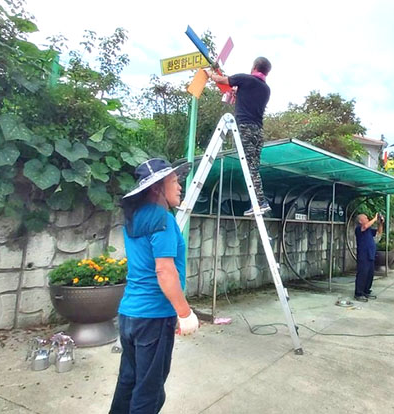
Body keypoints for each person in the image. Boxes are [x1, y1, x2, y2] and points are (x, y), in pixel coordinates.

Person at [110, 158, 199, 414]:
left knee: (128, 381)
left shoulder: (135, 217)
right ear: (157, 187)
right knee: (149, 391)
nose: (180, 186)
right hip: (153, 316)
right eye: (174, 181)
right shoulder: (163, 219)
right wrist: (184, 312)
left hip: (129, 314)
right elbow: (164, 270)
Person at [207, 57, 272, 216]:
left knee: (249, 167)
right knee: (253, 166)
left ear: (254, 66)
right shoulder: (265, 88)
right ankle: (257, 202)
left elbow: (219, 79)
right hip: (258, 131)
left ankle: (260, 202)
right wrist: (237, 92)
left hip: (245, 128)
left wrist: (208, 73)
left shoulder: (245, 79)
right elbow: (248, 94)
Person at [354, 213, 383, 302]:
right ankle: (358, 293)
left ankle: (366, 291)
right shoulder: (359, 229)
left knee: (370, 274)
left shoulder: (369, 230)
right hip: (363, 255)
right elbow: (365, 226)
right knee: (362, 274)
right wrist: (374, 218)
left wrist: (380, 223)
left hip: (370, 254)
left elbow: (379, 232)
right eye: (365, 218)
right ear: (360, 221)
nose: (367, 219)